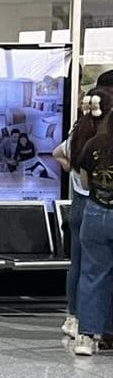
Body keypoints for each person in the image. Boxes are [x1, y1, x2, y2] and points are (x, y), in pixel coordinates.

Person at [55, 90, 112, 339]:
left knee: (84, 267)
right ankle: (106, 328)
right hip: (101, 207)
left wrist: (73, 171)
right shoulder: (103, 136)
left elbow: (59, 154)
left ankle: (77, 321)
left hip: (86, 205)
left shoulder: (80, 133)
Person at [71, 91, 113, 357]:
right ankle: (108, 331)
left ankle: (87, 336)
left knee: (93, 275)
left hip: (96, 213)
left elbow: (85, 183)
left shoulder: (94, 144)